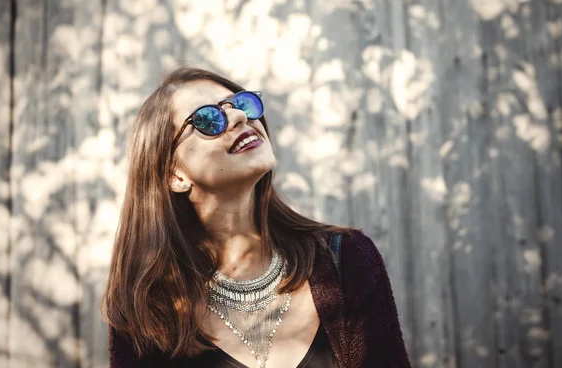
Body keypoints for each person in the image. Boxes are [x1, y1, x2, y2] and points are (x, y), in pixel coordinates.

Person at [101, 67, 411, 368]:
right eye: (209, 118)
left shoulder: (346, 260)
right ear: (175, 174)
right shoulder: (145, 307)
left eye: (242, 104)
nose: (239, 117)